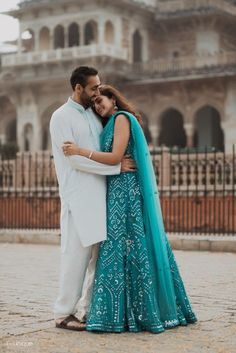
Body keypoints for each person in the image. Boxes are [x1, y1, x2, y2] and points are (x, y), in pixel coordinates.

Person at [62, 85, 197, 333]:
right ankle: (121, 312)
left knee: (130, 245)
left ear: (113, 98)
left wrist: (79, 151)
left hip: (127, 190)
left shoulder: (122, 118)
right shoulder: (110, 122)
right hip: (115, 189)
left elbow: (114, 157)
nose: (98, 106)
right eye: (94, 104)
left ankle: (140, 312)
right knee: (119, 247)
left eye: (100, 100)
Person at [50, 68, 135, 331]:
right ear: (77, 88)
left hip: (102, 194)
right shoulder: (61, 117)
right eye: (93, 88)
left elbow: (103, 150)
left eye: (99, 88)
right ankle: (63, 313)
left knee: (98, 258)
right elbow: (73, 158)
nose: (98, 92)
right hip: (78, 195)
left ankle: (86, 309)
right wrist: (115, 167)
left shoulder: (93, 115)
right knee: (76, 256)